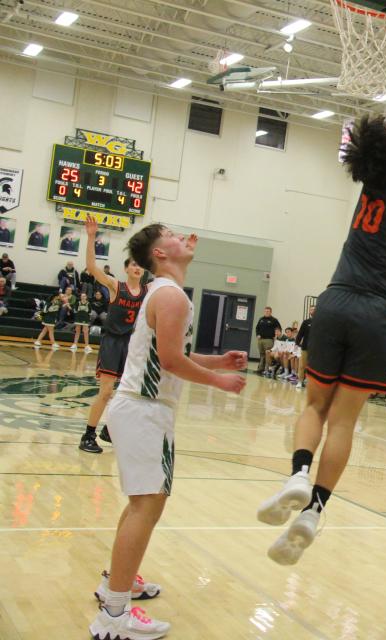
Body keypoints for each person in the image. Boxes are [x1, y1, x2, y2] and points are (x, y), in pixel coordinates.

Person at [256, 78, 386, 566]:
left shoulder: (371, 184)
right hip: (377, 314)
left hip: (334, 302)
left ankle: (296, 476)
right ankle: (314, 512)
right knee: (345, 420)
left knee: (315, 405)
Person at [88, 223, 246, 640]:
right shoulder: (170, 294)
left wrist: (218, 362)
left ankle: (116, 584)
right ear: (159, 253)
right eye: (173, 236)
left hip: (140, 409)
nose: (183, 238)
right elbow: (172, 362)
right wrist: (220, 382)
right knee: (146, 507)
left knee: (143, 505)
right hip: (143, 411)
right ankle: (113, 616)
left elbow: (174, 353)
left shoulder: (166, 292)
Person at [78, 217, 148, 455]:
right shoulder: (116, 286)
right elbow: (92, 268)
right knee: (106, 392)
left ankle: (110, 430)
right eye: (133, 265)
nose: (137, 268)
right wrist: (91, 238)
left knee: (132, 392)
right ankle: (88, 435)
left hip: (132, 346)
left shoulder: (148, 292)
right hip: (112, 343)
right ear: (127, 268)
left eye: (141, 265)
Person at [255, 307, 282, 375]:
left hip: (269, 340)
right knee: (262, 354)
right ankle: (260, 369)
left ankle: (267, 369)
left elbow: (279, 328)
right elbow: (257, 328)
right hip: (260, 340)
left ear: (270, 312)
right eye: (265, 311)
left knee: (267, 354)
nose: (266, 312)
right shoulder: (261, 319)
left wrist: (276, 335)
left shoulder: (274, 320)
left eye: (268, 311)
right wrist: (257, 334)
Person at [294, 306, 313, 390]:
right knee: (302, 365)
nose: (313, 311)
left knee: (313, 367)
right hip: (305, 347)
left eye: (314, 309)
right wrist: (297, 343)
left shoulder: (321, 322)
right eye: (311, 309)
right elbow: (300, 334)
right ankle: (300, 381)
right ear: (309, 311)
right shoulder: (306, 322)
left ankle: (310, 382)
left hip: (316, 348)